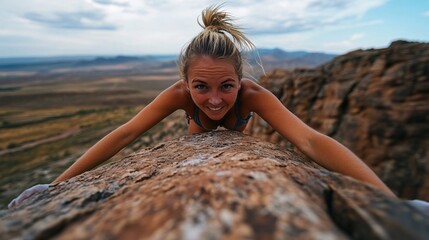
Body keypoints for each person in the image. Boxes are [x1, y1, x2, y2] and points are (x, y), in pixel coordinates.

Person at [8, 5, 428, 214]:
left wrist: (395, 204)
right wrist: (55, 187)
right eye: (200, 87)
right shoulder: (175, 95)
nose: (213, 99)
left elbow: (310, 140)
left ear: (240, 79)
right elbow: (124, 134)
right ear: (185, 83)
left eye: (226, 86)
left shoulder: (254, 96)